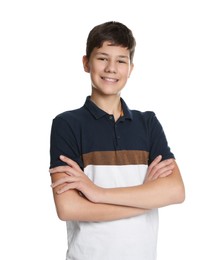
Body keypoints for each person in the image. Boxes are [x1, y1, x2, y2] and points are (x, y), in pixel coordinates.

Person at [49, 21, 185, 260]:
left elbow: (175, 191)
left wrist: (97, 193)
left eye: (121, 60)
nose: (111, 68)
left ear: (130, 68)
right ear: (86, 63)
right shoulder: (67, 124)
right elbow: (68, 208)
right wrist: (145, 198)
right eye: (102, 58)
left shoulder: (148, 123)